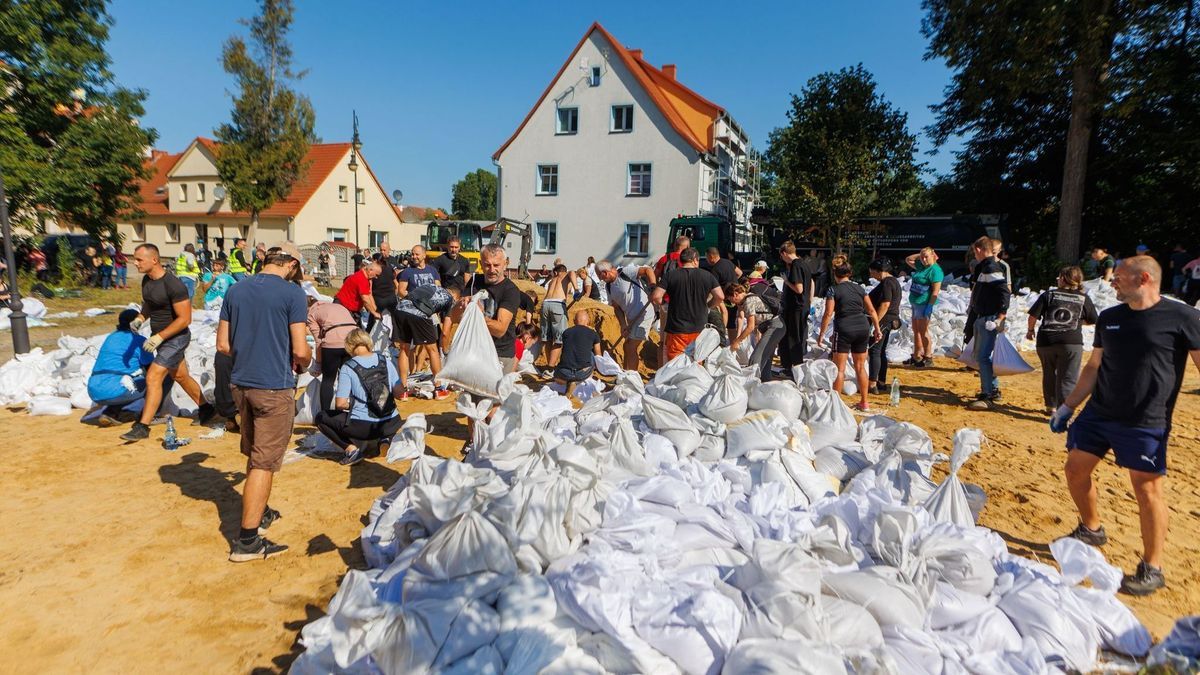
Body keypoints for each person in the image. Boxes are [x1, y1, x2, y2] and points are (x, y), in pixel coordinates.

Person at [1050, 256, 1200, 596]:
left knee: (1147, 491)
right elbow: (1094, 366)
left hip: (1146, 420)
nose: (1112, 282)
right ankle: (1092, 528)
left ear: (1143, 278)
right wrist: (1068, 406)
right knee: (1075, 469)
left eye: (1118, 278)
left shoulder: (1183, 318)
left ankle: (1153, 567)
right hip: (1099, 413)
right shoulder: (1110, 317)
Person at [217, 243, 310, 562]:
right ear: (292, 264)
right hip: (273, 385)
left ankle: (260, 511)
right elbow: (300, 350)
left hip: (241, 383)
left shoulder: (235, 290)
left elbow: (223, 344)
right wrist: (307, 359)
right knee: (264, 463)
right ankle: (247, 542)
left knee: (255, 455)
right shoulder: (292, 293)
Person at [120, 244, 215, 441]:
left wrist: (159, 337)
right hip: (162, 338)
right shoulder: (147, 281)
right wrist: (140, 318)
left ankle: (143, 426)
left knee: (154, 376)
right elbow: (150, 303)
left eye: (139, 259)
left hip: (176, 338)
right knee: (180, 376)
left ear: (154, 260)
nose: (134, 263)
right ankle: (206, 409)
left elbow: (185, 319)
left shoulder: (174, 285)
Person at [315, 328, 405, 467]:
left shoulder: (348, 367)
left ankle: (352, 450)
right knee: (384, 414)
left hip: (363, 427)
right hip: (392, 421)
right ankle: (385, 438)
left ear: (349, 346)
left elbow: (340, 404)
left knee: (321, 418)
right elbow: (399, 393)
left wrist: (355, 405)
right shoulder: (385, 360)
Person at [1026, 266, 1098, 413]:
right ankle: (1063, 411)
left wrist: (1030, 331)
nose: (1058, 279)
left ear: (1064, 279)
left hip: (1046, 341)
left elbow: (1033, 316)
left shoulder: (1049, 295)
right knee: (1068, 377)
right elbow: (1093, 319)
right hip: (1071, 343)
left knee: (1049, 373)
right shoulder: (1083, 298)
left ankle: (1050, 407)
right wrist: (1077, 322)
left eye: (1059, 277)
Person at [816, 263, 883, 411]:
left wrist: (822, 333)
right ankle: (864, 402)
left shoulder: (833, 289)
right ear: (850, 274)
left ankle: (836, 404)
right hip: (862, 327)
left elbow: (828, 313)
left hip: (844, 328)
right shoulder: (860, 288)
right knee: (860, 366)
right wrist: (877, 329)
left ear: (835, 275)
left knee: (839, 369)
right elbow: (871, 310)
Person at [86, 309, 157, 427]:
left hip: (94, 389)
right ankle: (151, 415)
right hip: (115, 390)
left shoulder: (111, 337)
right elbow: (151, 369)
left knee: (122, 380)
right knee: (157, 378)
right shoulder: (139, 340)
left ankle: (110, 413)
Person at [651, 247, 724, 361]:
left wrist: (665, 304)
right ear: (695, 260)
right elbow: (720, 296)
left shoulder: (670, 275)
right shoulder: (707, 275)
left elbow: (655, 296)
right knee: (696, 363)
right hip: (699, 328)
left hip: (676, 329)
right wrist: (708, 306)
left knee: (675, 365)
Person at [966, 236, 1011, 410]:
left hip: (989, 317)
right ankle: (991, 389)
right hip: (983, 316)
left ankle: (988, 394)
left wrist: (1000, 316)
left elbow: (1004, 293)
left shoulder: (991, 268)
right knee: (980, 356)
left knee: (983, 357)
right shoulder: (985, 267)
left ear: (978, 250)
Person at [393, 282, 458, 401]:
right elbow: (445, 331)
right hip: (420, 313)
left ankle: (403, 391)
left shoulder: (429, 286)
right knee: (432, 350)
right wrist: (445, 350)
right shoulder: (450, 299)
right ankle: (439, 390)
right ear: (454, 295)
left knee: (404, 349)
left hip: (400, 308)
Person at [467, 244, 522, 374]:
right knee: (472, 393)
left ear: (505, 264)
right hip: (474, 351)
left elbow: (500, 330)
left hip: (499, 354)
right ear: (481, 263)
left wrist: (478, 315)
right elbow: (456, 317)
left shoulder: (510, 291)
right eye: (487, 265)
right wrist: (460, 305)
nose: (491, 270)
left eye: (496, 265)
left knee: (494, 394)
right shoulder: (474, 282)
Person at [596, 260, 657, 372]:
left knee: (630, 346)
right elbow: (617, 308)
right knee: (626, 346)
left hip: (644, 313)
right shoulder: (609, 287)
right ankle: (625, 373)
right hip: (631, 319)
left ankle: (632, 377)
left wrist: (653, 287)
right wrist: (623, 325)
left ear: (604, 272)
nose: (600, 279)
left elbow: (648, 270)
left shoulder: (625, 273)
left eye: (599, 276)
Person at [306, 297, 359, 413]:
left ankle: (325, 415)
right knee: (349, 378)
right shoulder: (339, 306)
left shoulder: (312, 313)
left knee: (328, 380)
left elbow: (319, 341)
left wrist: (318, 364)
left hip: (332, 344)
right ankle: (351, 410)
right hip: (353, 341)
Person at [867, 258, 902, 394]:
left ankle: (872, 384)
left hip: (884, 320)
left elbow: (885, 304)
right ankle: (881, 382)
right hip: (890, 320)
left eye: (872, 272)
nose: (871, 276)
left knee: (875, 351)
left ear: (878, 271)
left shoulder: (887, 283)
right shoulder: (894, 281)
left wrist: (875, 323)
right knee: (881, 352)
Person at [904, 247, 944, 368]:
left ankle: (928, 356)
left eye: (926, 256)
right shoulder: (922, 266)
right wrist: (920, 254)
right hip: (915, 302)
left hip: (924, 304)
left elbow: (935, 291)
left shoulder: (935, 270)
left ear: (933, 255)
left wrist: (930, 306)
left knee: (923, 331)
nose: (924, 259)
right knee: (916, 331)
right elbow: (908, 259)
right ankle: (916, 355)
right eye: (922, 257)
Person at [778, 241, 813, 372]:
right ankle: (795, 366)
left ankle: (793, 367)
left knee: (793, 337)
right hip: (803, 305)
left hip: (796, 307)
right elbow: (811, 283)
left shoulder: (795, 266)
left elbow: (799, 289)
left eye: (782, 256)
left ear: (784, 253)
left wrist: (786, 281)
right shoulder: (804, 263)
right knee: (798, 335)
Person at [554, 310, 601, 396]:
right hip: (582, 373)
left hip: (564, 373)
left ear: (574, 321)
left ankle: (567, 381)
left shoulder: (566, 332)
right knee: (591, 354)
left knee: (569, 352)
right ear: (588, 321)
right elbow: (598, 356)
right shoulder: (593, 334)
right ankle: (579, 380)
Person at [541, 264, 580, 367]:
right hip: (558, 305)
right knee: (559, 339)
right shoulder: (565, 275)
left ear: (556, 272)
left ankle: (549, 365)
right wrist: (576, 290)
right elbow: (572, 272)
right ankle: (550, 367)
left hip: (545, 304)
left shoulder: (552, 280)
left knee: (548, 338)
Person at [334, 260, 381, 328]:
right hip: (343, 307)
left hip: (351, 310)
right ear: (370, 270)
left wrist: (376, 310)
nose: (376, 277)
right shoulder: (361, 279)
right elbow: (366, 300)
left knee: (356, 334)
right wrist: (374, 313)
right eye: (376, 275)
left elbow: (369, 295)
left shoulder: (366, 279)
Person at [368, 242, 400, 332]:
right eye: (381, 249)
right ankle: (367, 337)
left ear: (389, 250)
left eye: (384, 250)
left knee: (395, 319)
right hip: (378, 297)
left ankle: (396, 338)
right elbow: (370, 282)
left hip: (390, 296)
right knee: (373, 319)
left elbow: (395, 280)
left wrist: (396, 294)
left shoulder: (392, 261)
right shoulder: (376, 261)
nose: (382, 252)